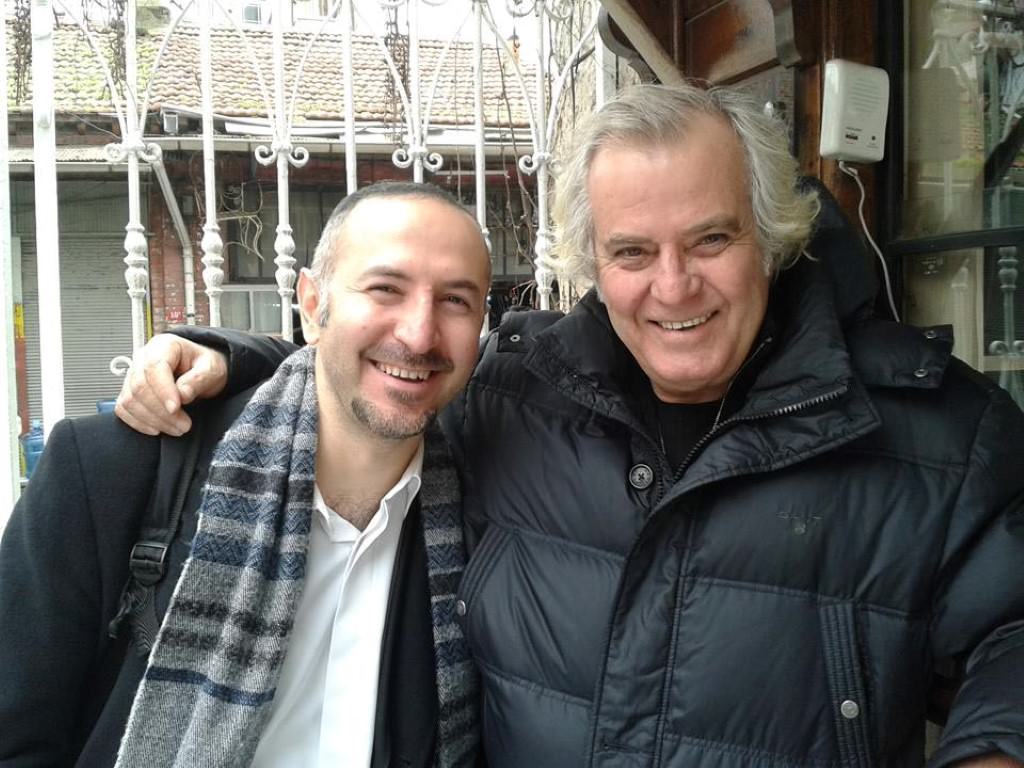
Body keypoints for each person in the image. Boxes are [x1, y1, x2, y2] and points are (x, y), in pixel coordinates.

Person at [114, 84, 1024, 768]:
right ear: (593, 261)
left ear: (772, 236)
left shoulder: (938, 430)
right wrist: (229, 358)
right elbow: (390, 371)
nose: (673, 286)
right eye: (632, 252)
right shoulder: (515, 394)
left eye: (711, 240)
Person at [0, 181, 491, 768]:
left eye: (456, 300)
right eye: (385, 288)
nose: (419, 334)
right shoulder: (110, 472)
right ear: (312, 305)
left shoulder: (484, 506)